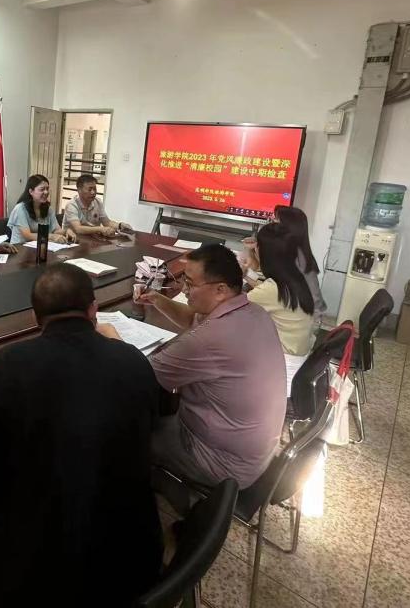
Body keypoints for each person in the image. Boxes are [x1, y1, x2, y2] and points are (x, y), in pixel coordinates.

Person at [0, 263, 162, 607]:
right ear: (93, 310)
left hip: (38, 581)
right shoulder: (132, 359)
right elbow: (149, 420)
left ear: (35, 318)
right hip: (132, 563)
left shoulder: (8, 364)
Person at [136, 244, 285, 495]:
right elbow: (192, 320)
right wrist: (157, 300)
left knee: (127, 432)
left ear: (220, 289)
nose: (184, 290)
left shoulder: (213, 337)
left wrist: (110, 335)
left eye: (190, 284)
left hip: (221, 464)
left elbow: (139, 373)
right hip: (255, 453)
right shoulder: (252, 312)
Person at [242, 205, 326, 321]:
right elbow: (258, 270)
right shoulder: (288, 252)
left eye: (276, 220)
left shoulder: (296, 258)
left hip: (306, 318)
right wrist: (252, 250)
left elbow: (273, 291)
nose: (271, 222)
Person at [246, 222, 315, 356]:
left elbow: (232, 306)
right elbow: (268, 293)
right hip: (299, 353)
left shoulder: (271, 290)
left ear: (261, 251)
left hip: (283, 359)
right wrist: (246, 274)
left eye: (257, 246)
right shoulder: (295, 277)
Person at [6, 174, 76, 246]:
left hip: (40, 247)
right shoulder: (20, 209)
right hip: (20, 248)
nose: (46, 192)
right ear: (31, 191)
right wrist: (51, 236)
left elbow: (55, 230)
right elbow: (27, 235)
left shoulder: (48, 208)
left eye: (47, 189)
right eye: (42, 189)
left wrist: (66, 231)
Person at [62, 174, 131, 237]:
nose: (93, 192)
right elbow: (78, 229)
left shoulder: (98, 202)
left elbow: (107, 222)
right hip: (74, 241)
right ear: (79, 190)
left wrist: (120, 225)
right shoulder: (71, 205)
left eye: (94, 189)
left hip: (92, 240)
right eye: (90, 189)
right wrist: (100, 229)